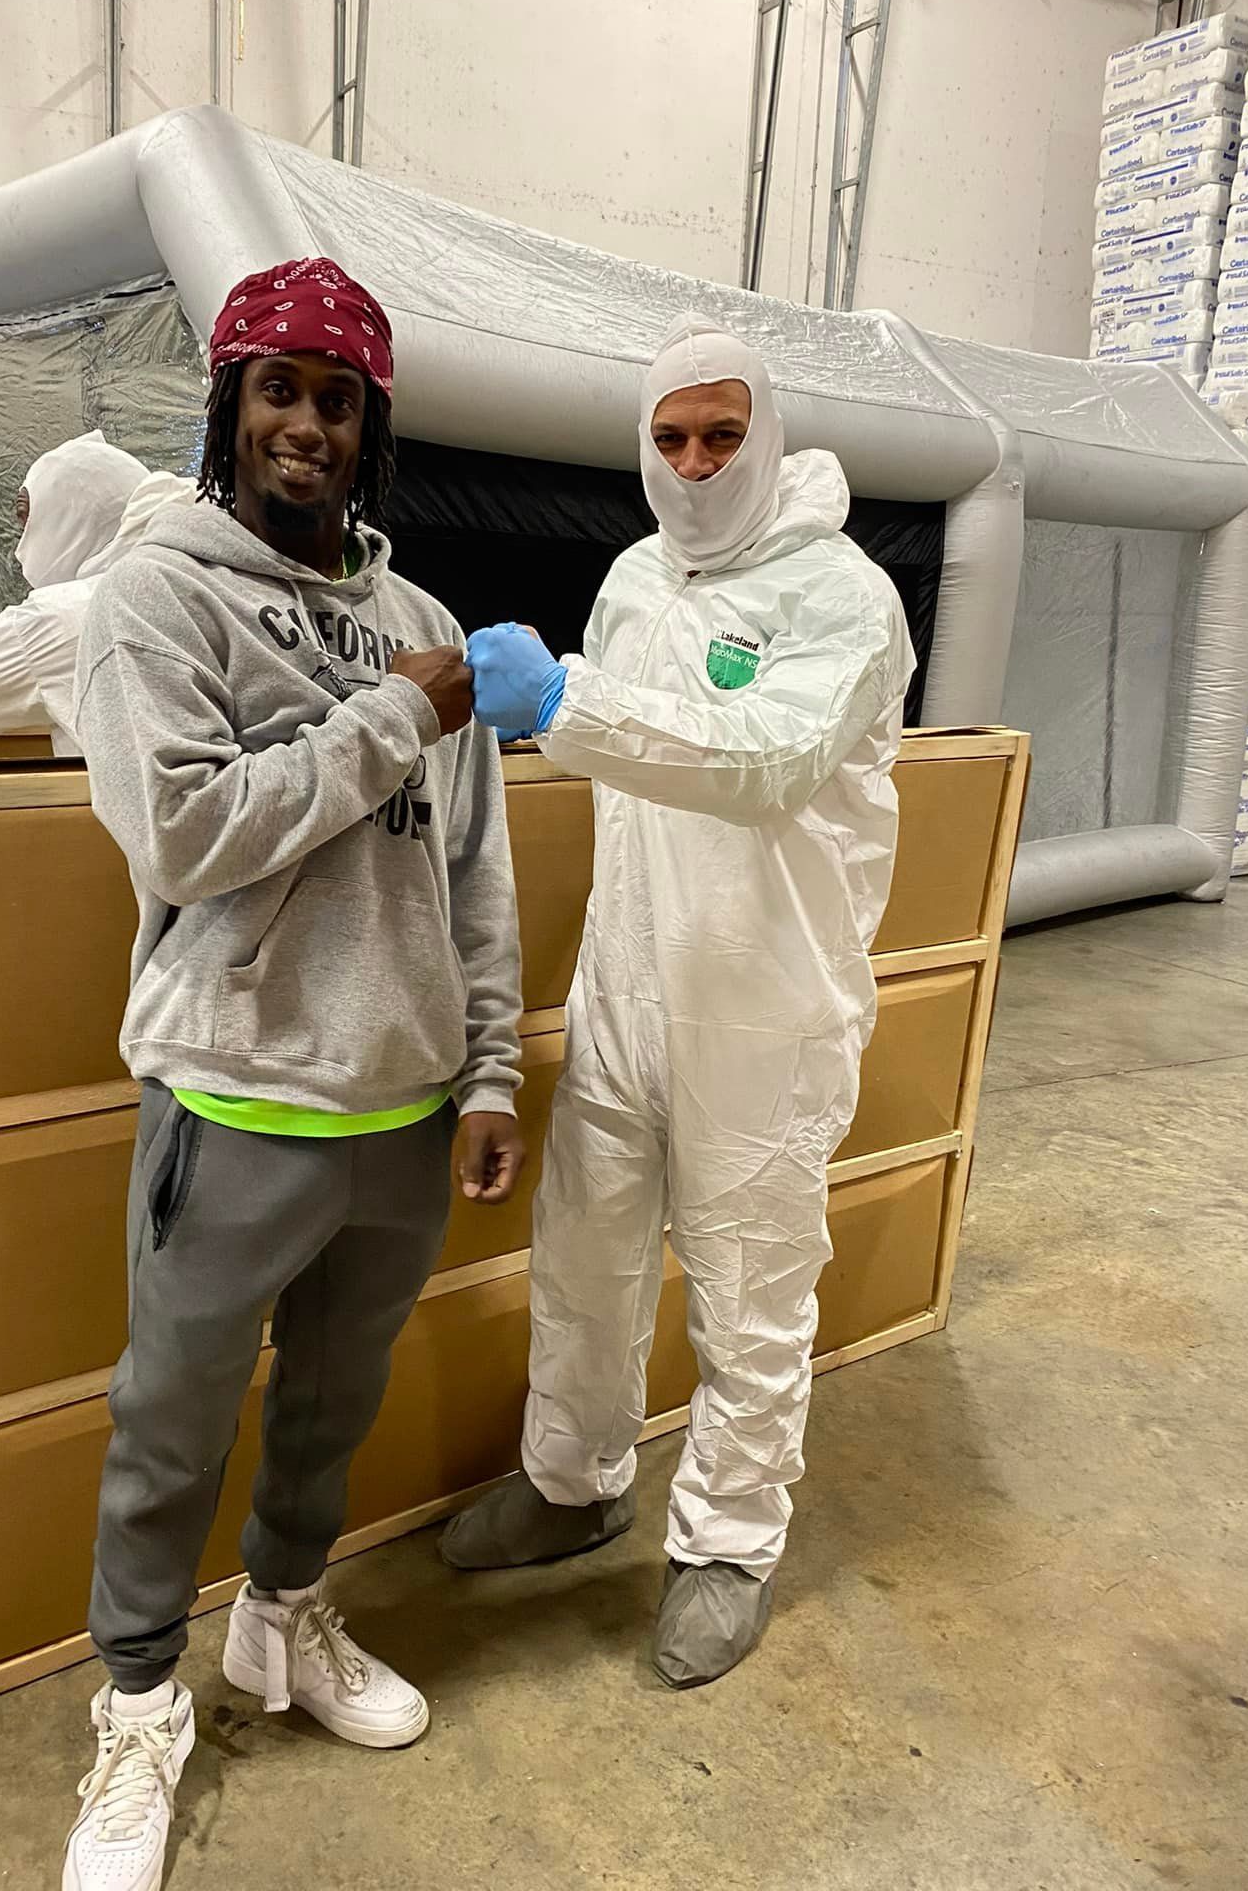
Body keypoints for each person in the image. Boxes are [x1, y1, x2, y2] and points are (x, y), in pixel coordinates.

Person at [62, 258, 524, 1891]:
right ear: (231, 405)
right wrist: (392, 720)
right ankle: (134, 1705)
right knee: (169, 1424)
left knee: (330, 1408)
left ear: (369, 425)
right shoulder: (158, 599)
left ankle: (279, 1621)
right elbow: (186, 829)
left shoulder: (424, 625)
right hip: (231, 1093)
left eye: (336, 400)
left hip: (398, 1111)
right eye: (279, 391)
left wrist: (487, 1069)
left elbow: (473, 870)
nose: (306, 426)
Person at [443, 315, 915, 1691]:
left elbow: (765, 760)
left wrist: (564, 701)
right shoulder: (635, 580)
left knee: (751, 1289)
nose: (696, 463)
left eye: (721, 434)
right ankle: (572, 1480)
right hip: (628, 989)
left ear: (765, 434)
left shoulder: (838, 597)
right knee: (583, 1264)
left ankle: (728, 1542)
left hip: (764, 1016)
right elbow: (625, 780)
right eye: (669, 438)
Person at [0, 432, 192, 753]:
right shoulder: (188, 576)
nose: (21, 546)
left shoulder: (72, 613)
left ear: (74, 517)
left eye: (28, 520)